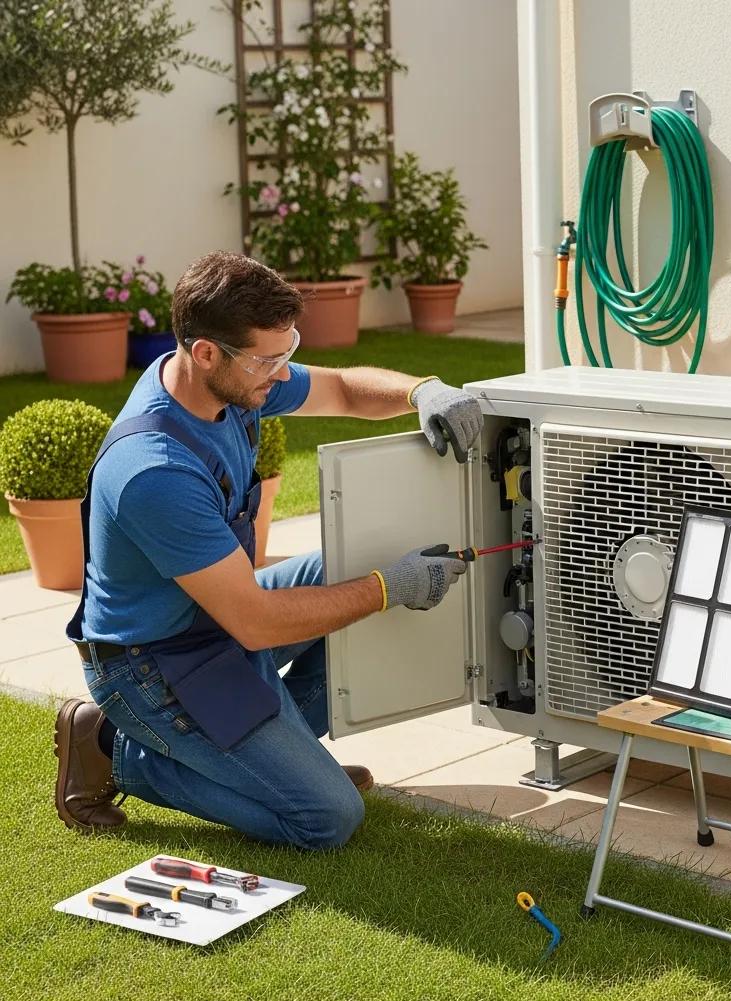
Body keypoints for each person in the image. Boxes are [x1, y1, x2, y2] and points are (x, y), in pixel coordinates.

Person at [53, 251, 484, 850]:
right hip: (156, 662)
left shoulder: (224, 386)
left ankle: (285, 766)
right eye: (269, 359)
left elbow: (340, 389)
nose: (283, 374)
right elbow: (255, 625)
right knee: (326, 819)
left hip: (217, 611)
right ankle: (118, 752)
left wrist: (422, 391)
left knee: (352, 568)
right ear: (205, 351)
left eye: (288, 350)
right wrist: (390, 588)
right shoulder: (154, 471)